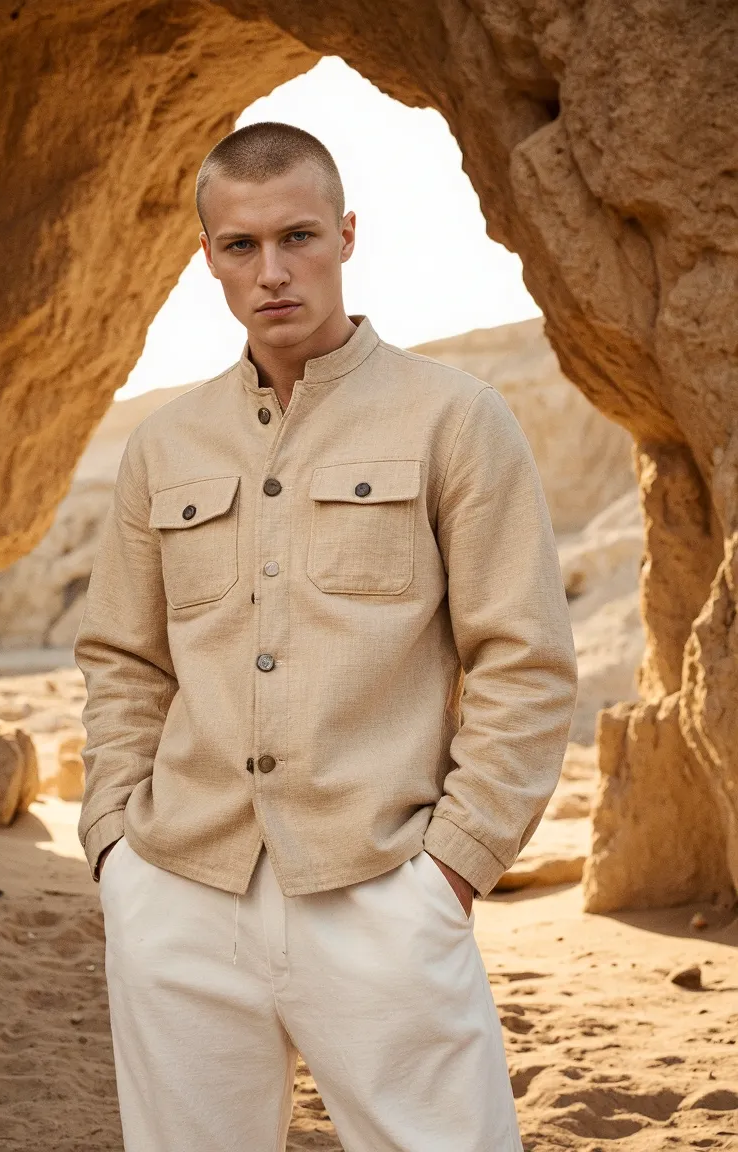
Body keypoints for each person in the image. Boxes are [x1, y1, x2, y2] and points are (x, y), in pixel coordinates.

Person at [74, 120, 578, 1152]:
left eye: (297, 236)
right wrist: (115, 852)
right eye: (240, 247)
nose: (272, 272)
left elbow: (520, 662)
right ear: (206, 256)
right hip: (179, 892)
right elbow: (125, 661)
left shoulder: (456, 419)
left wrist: (450, 872)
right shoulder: (164, 444)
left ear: (346, 234)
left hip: (380, 891)